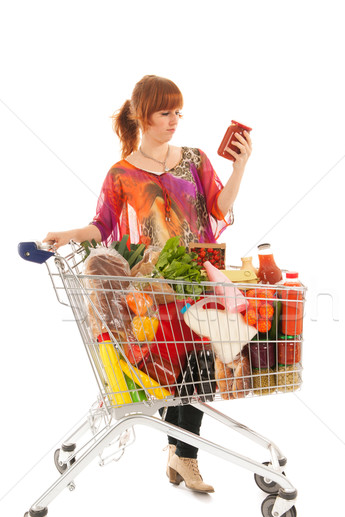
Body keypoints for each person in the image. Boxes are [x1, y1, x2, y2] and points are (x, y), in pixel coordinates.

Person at [43, 74, 252, 493]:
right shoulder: (120, 174)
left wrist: (240, 166)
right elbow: (101, 226)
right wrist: (68, 235)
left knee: (200, 365)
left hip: (199, 278)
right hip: (151, 290)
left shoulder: (195, 159)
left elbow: (219, 207)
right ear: (143, 116)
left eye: (178, 111)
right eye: (165, 112)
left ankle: (183, 454)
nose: (175, 119)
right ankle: (183, 454)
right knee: (170, 373)